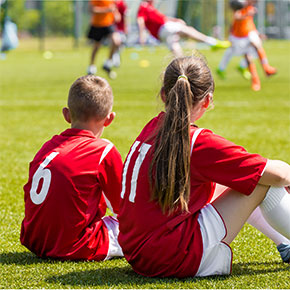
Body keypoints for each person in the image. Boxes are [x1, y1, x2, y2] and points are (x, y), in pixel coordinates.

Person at [118, 55, 290, 278]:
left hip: (138, 252)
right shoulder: (195, 141)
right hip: (172, 256)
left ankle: (284, 244)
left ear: (163, 95)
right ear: (207, 101)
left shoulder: (151, 128)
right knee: (262, 181)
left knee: (231, 181)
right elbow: (275, 175)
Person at [20, 75, 124, 261]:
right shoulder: (102, 149)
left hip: (34, 240)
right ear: (109, 119)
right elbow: (123, 207)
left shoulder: (48, 146)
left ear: (66, 115)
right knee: (141, 230)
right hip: (77, 245)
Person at [217, 0, 277, 91]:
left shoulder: (250, 6)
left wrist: (257, 33)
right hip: (239, 36)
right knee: (248, 57)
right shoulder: (239, 4)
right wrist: (247, 14)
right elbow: (237, 17)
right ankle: (255, 80)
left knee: (256, 44)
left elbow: (249, 23)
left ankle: (266, 68)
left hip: (248, 33)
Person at [137, 0, 231, 58]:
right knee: (188, 30)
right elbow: (140, 20)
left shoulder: (151, 8)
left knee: (177, 52)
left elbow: (162, 18)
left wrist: (175, 20)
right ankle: (213, 42)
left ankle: (182, 73)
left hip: (161, 33)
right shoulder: (144, 6)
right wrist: (142, 35)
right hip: (164, 28)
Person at [87, 0, 121, 79]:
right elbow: (92, 9)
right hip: (97, 24)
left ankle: (107, 63)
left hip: (108, 23)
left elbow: (113, 7)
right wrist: (106, 10)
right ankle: (91, 66)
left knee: (116, 41)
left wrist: (116, 14)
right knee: (96, 47)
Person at [112, 0, 128, 68]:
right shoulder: (111, 2)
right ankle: (114, 58)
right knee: (115, 43)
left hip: (120, 28)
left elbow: (124, 16)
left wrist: (126, 27)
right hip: (112, 27)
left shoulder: (121, 3)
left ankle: (116, 56)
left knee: (119, 44)